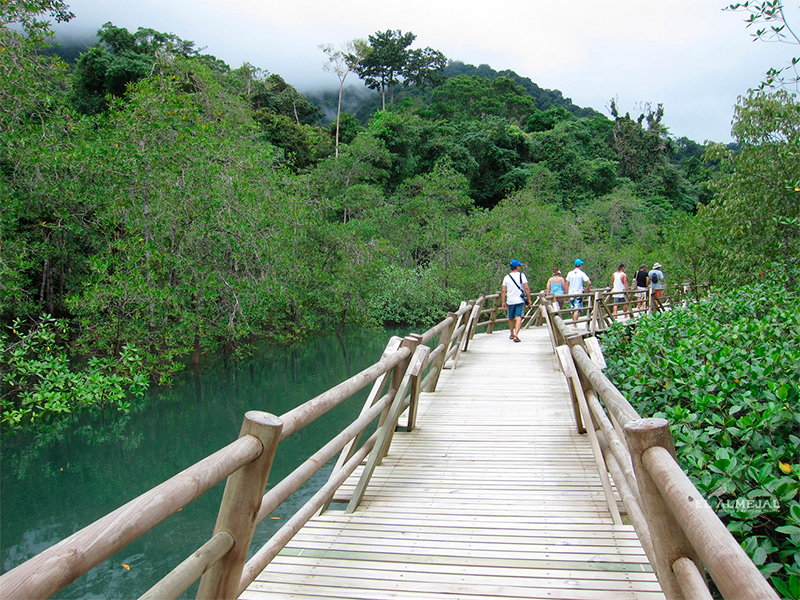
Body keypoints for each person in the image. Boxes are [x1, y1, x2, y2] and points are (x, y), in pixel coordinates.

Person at [501, 259, 531, 342]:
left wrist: (503, 301)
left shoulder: (506, 277)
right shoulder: (522, 276)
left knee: (510, 317)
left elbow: (503, 290)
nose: (520, 267)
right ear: (517, 267)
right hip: (519, 300)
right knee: (518, 317)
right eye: (519, 266)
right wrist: (529, 299)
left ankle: (511, 333)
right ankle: (516, 335)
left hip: (510, 300)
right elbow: (526, 288)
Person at [566, 259, 591, 327]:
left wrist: (566, 293)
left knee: (572, 307)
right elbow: (589, 282)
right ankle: (574, 323)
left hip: (571, 292)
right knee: (577, 308)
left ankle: (573, 322)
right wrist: (587, 287)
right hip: (578, 292)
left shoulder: (569, 273)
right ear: (580, 265)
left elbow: (567, 284)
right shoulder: (582, 273)